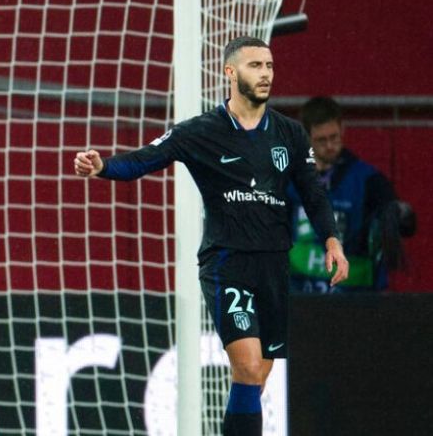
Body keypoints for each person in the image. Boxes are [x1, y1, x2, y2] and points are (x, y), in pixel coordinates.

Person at [73, 36, 349, 436]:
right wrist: (103, 166)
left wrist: (332, 240)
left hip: (273, 263)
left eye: (269, 66)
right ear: (230, 72)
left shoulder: (289, 134)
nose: (266, 74)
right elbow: (145, 159)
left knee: (254, 378)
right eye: (255, 66)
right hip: (227, 262)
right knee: (249, 366)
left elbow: (313, 192)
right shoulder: (202, 131)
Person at [289, 96, 404, 292]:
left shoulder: (369, 181)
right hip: (300, 300)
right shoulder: (289, 179)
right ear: (306, 138)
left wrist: (400, 215)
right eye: (321, 140)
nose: (330, 145)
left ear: (343, 129)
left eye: (334, 137)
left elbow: (398, 216)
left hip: (354, 302)